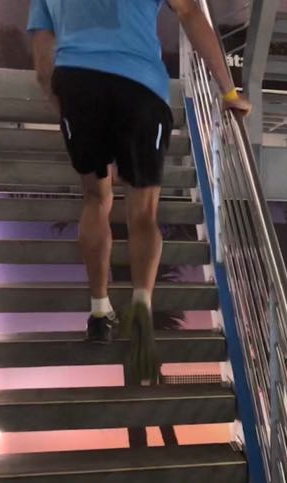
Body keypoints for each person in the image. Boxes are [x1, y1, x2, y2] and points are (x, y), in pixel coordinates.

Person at [28, 0, 250, 383]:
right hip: (140, 87)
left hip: (78, 83)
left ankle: (100, 312)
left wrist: (61, 103)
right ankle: (142, 305)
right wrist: (229, 93)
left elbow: (42, 58)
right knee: (144, 212)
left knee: (96, 199)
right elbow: (191, 14)